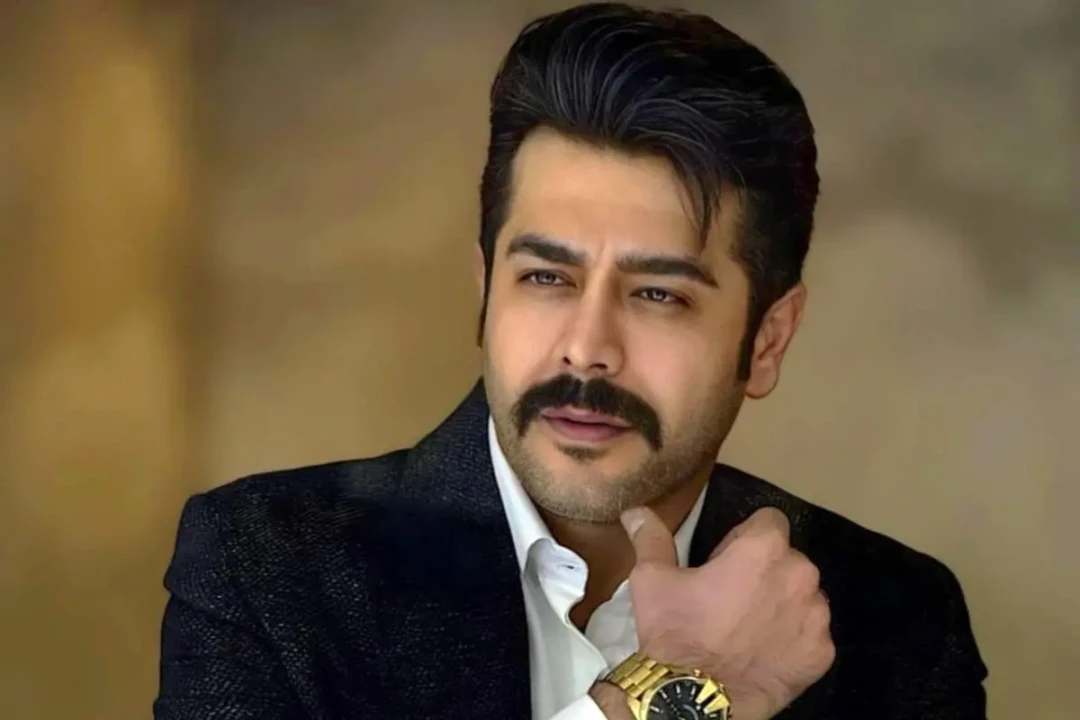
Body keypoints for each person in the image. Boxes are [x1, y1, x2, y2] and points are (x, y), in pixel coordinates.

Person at [154, 3, 988, 719]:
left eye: (658, 294)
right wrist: (692, 688)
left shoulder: (897, 625)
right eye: (546, 278)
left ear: (767, 340)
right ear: (486, 292)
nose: (587, 348)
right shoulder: (267, 570)